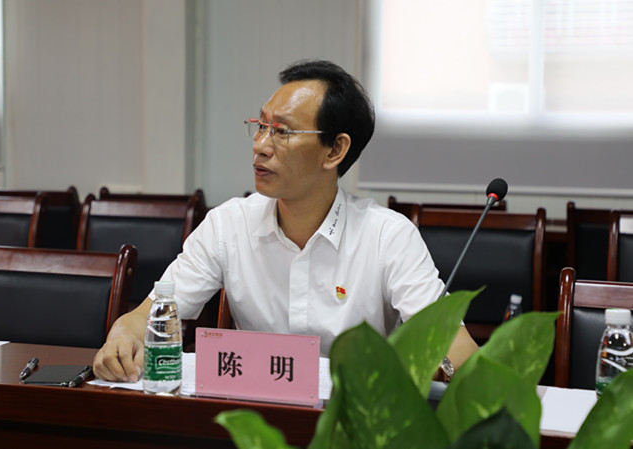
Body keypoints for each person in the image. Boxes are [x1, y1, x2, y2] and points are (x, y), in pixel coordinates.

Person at [94, 59, 478, 383]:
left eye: (282, 132)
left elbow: (459, 350)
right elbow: (147, 317)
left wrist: (437, 365)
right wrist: (122, 338)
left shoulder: (387, 237)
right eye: (261, 126)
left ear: (335, 150)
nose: (260, 145)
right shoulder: (228, 225)